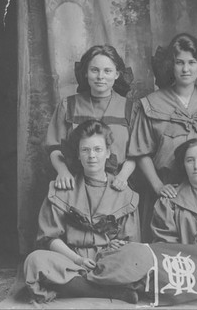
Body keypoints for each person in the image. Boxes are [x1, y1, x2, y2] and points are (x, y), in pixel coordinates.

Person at [129, 33, 197, 242]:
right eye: (179, 63)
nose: (186, 69)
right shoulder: (151, 103)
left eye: (192, 62)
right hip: (166, 190)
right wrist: (158, 186)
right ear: (171, 65)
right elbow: (140, 151)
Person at [24, 120, 141, 303]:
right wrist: (78, 260)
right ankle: (109, 293)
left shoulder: (125, 194)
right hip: (70, 261)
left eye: (97, 149)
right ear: (78, 154)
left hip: (108, 261)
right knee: (35, 261)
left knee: (136, 261)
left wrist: (115, 247)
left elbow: (131, 243)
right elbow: (49, 238)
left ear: (108, 152)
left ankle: (75, 288)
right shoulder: (62, 189)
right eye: (85, 150)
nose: (91, 156)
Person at [46, 45, 136, 192]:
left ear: (117, 74)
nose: (100, 77)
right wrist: (63, 172)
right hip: (75, 183)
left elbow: (136, 152)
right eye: (94, 70)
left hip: (117, 185)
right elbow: (54, 148)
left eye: (107, 71)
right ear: (86, 73)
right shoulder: (67, 105)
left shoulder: (131, 109)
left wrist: (122, 177)